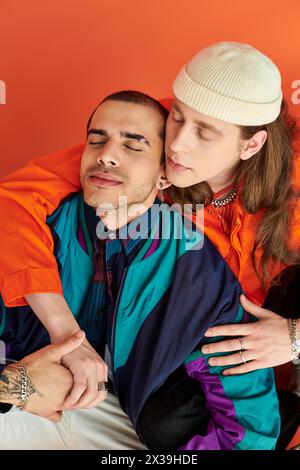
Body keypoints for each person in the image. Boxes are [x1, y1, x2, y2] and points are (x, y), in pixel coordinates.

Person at [0, 91, 280, 450]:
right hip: (22, 408)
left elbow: (249, 428)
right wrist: (17, 385)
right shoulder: (33, 232)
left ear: (165, 175)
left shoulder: (193, 271)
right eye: (96, 140)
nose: (107, 155)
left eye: (134, 146)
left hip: (124, 431)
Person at [0, 42, 299, 375]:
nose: (177, 144)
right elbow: (14, 202)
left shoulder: (293, 173)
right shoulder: (147, 132)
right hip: (178, 341)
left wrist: (294, 338)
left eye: (204, 133)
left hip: (267, 342)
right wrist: (65, 331)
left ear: (252, 144)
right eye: (179, 116)